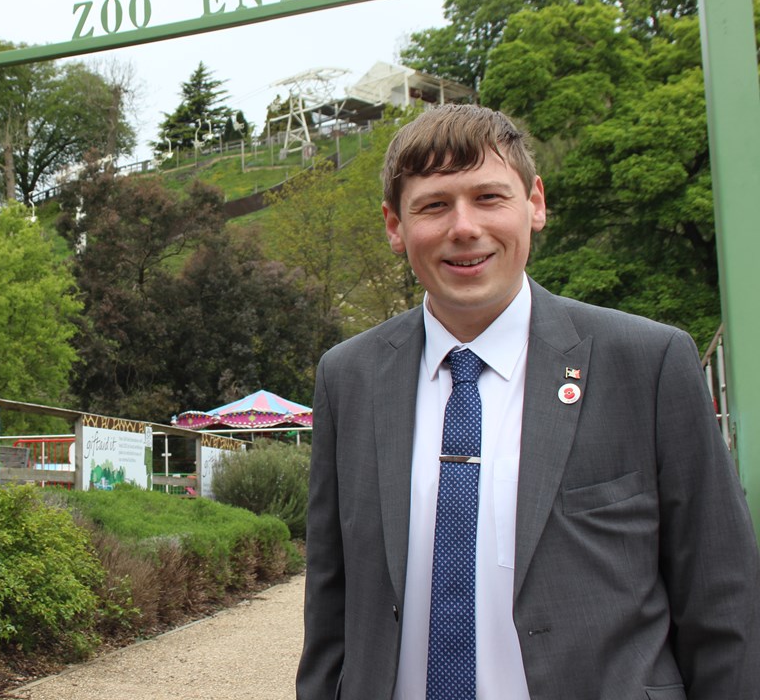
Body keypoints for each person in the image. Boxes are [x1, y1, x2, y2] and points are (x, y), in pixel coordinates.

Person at [296, 105, 760, 699]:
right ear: (395, 225)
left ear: (534, 203)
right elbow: (329, 604)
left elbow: (723, 597)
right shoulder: (349, 377)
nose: (464, 227)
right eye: (434, 205)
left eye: (489, 197)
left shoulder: (647, 363)